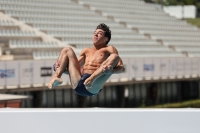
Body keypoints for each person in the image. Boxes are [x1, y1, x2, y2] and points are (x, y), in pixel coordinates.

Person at [48, 23, 125, 96]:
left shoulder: (109, 49)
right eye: (95, 32)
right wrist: (59, 67)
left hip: (94, 84)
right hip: (79, 83)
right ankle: (57, 76)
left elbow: (121, 68)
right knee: (67, 49)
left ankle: (92, 79)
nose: (96, 34)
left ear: (106, 39)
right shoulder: (86, 51)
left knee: (115, 56)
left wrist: (112, 71)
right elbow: (73, 69)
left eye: (100, 33)